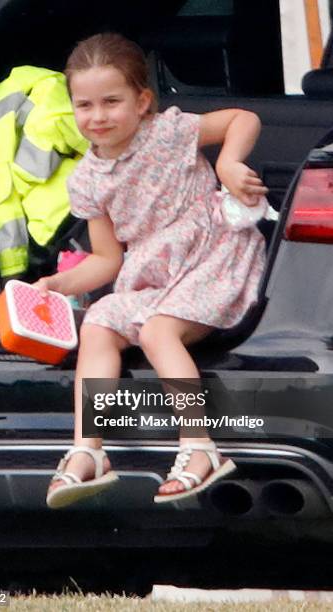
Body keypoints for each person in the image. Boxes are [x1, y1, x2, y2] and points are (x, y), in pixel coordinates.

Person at [35, 33, 268, 509]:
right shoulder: (85, 180)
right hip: (156, 274)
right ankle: (88, 450)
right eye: (84, 105)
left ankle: (201, 448)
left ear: (142, 102)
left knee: (159, 332)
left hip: (215, 257)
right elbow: (107, 260)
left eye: (111, 102)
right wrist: (56, 285)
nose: (97, 116)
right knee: (98, 323)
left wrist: (227, 161)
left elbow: (243, 118)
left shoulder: (167, 131)